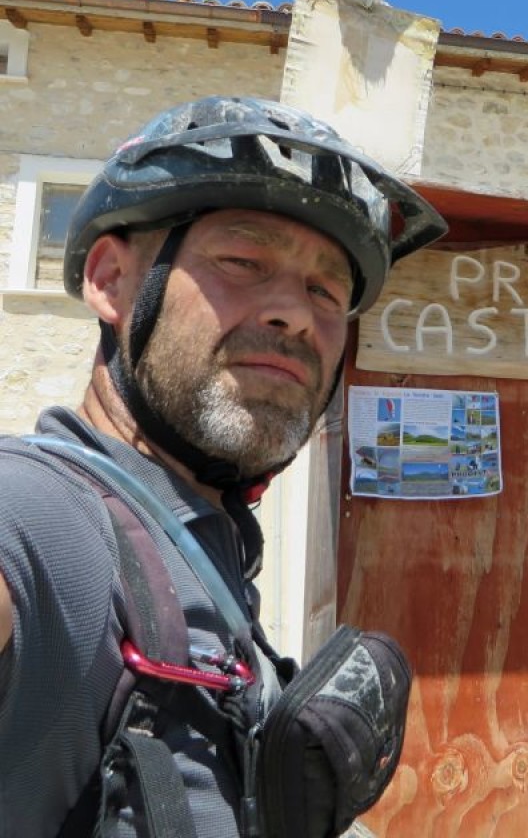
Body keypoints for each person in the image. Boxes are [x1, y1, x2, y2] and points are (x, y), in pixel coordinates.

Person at [0, 96, 447, 837]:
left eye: (326, 290)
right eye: (243, 261)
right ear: (111, 279)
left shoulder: (200, 544)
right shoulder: (41, 519)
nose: (296, 315)